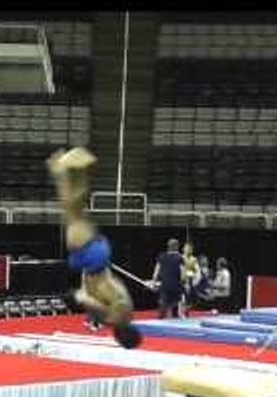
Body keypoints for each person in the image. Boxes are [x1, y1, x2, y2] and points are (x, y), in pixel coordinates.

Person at [47, 146, 142, 349]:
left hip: (99, 257)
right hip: (93, 261)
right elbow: (87, 298)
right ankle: (60, 169)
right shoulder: (116, 316)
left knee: (76, 209)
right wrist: (78, 297)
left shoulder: (127, 312)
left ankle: (80, 167)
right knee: (70, 211)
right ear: (119, 336)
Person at [151, 238, 184, 319]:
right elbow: (183, 275)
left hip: (165, 286)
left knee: (162, 310)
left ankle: (160, 323)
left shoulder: (161, 256)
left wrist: (153, 284)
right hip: (176, 286)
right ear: (177, 247)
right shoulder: (180, 257)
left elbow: (155, 273)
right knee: (175, 312)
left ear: (168, 246)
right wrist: (184, 284)